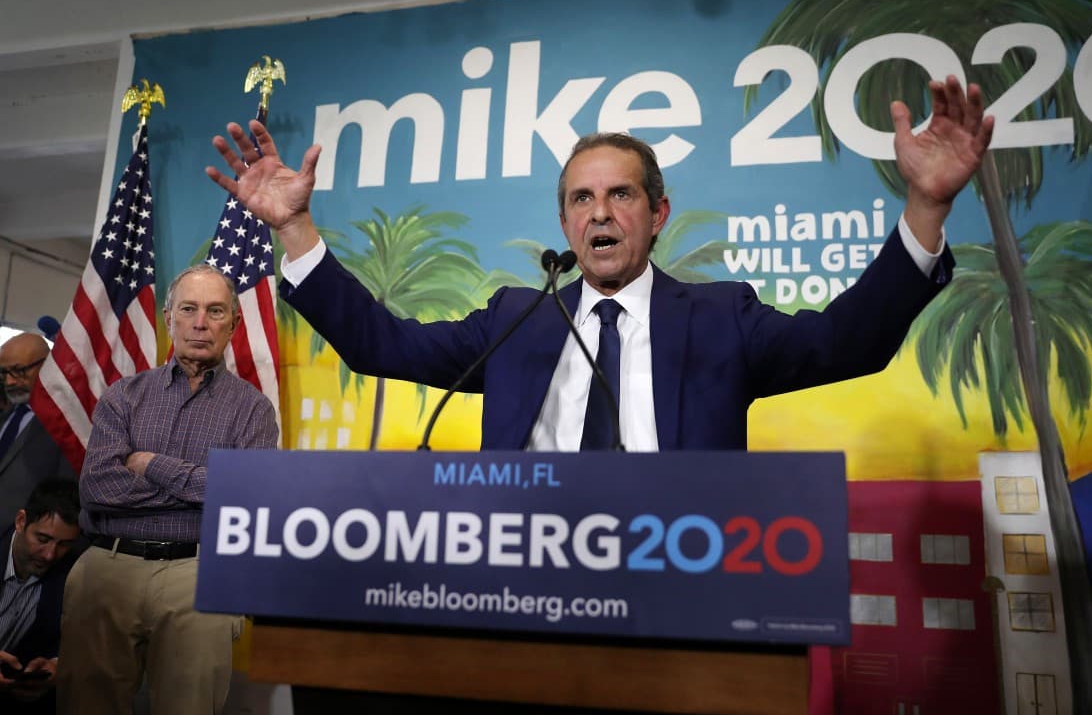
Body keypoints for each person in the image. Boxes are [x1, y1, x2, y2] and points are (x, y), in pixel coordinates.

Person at [207, 76, 992, 454]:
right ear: (564, 222)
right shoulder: (515, 319)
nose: (600, 213)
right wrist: (298, 227)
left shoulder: (720, 317)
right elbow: (383, 345)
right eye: (582, 200)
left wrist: (926, 209)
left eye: (620, 195)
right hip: (524, 582)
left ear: (657, 213)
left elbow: (845, 342)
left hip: (683, 584)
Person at [55, 265, 280, 715]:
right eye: (189, 309)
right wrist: (205, 484)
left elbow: (247, 496)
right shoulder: (124, 395)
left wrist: (150, 464)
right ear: (168, 317)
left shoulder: (254, 410)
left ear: (233, 324)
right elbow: (98, 487)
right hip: (107, 568)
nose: (201, 323)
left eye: (216, 311)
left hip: (200, 576)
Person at [0, 478, 82, 715]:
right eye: (43, 539)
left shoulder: (74, 569)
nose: (49, 555)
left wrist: (56, 665)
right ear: (21, 521)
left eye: (64, 544)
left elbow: (79, 638)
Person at [0, 334, 73, 531]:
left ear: (47, 364)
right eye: (4, 372)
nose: (9, 382)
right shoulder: (7, 414)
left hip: (23, 546)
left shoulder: (67, 422)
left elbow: (67, 496)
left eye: (18, 371)